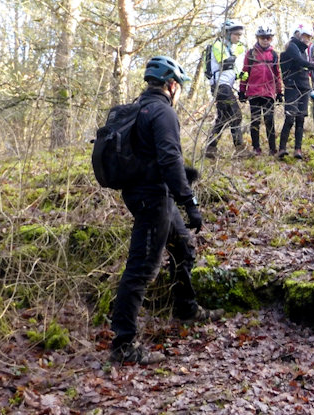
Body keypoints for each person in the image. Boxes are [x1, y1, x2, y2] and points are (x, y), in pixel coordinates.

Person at [110, 56, 224, 365]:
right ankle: (123, 345)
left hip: (147, 193)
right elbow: (169, 158)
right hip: (152, 200)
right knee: (142, 268)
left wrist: (179, 180)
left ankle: (186, 308)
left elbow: (156, 156)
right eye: (180, 86)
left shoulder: (139, 108)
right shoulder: (162, 112)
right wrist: (190, 202)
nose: (180, 91)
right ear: (171, 85)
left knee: (183, 246)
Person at [279, 22, 314, 159]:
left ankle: (297, 149)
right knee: (289, 118)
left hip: (304, 89)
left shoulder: (304, 51)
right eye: (305, 36)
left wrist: (312, 93)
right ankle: (282, 148)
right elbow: (300, 62)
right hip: (292, 88)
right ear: (298, 35)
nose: (307, 39)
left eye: (309, 37)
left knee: (300, 119)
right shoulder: (291, 47)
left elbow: (304, 75)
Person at [205, 19, 247, 159]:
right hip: (220, 86)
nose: (239, 37)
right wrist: (237, 53)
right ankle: (240, 149)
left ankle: (210, 148)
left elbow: (230, 70)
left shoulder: (228, 47)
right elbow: (224, 62)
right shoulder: (218, 45)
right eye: (236, 34)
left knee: (223, 118)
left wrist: (240, 74)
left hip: (226, 85)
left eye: (240, 35)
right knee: (236, 115)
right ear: (227, 33)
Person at [239, 25, 283, 156]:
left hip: (269, 93)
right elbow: (244, 72)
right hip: (254, 92)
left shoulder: (274, 55)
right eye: (263, 38)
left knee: (269, 120)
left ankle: (272, 148)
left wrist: (279, 92)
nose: (265, 40)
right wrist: (242, 90)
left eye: (268, 38)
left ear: (271, 39)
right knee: (255, 121)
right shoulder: (250, 53)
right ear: (258, 38)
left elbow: (277, 75)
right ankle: (256, 148)